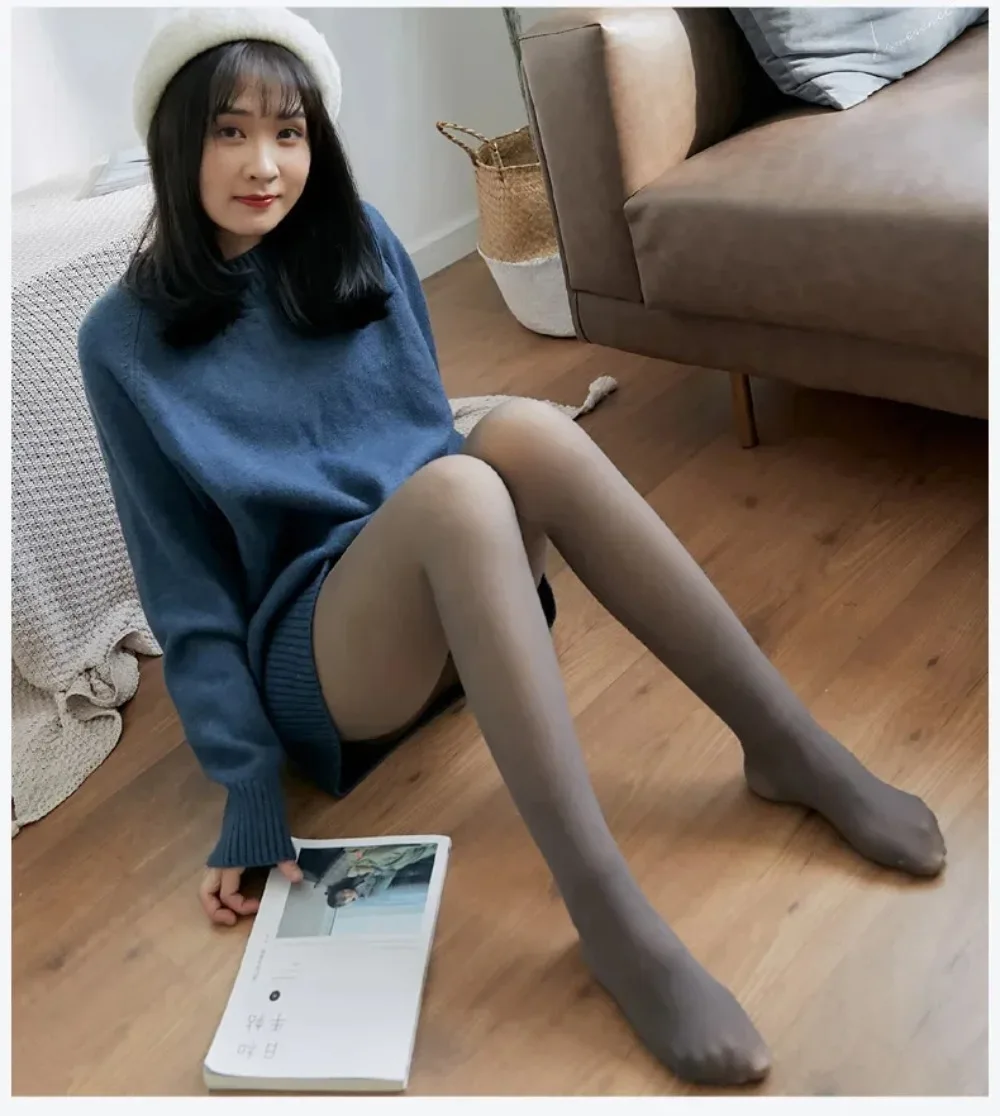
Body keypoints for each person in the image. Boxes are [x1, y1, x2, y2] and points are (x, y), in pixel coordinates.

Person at [78, 8, 946, 1088]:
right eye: (229, 131)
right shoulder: (122, 341)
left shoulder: (360, 244)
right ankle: (607, 914)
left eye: (289, 131)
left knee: (526, 429)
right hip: (321, 661)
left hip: (452, 581)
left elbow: (414, 433)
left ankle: (787, 745)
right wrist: (249, 793)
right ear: (176, 139)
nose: (265, 164)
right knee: (455, 489)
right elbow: (186, 592)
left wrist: (473, 529)